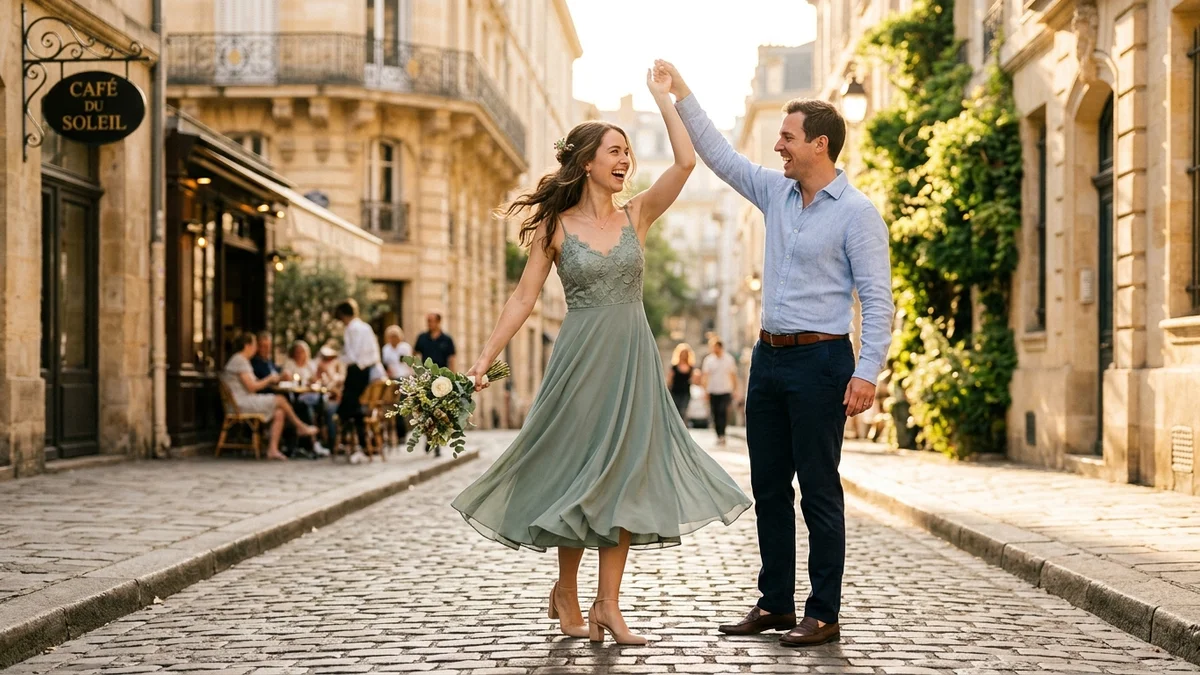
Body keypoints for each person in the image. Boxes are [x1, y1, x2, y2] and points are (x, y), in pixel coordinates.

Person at [452, 66, 751, 647]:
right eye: (615, 152)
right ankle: (566, 590)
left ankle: (607, 605)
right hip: (580, 365)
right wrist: (485, 359)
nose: (625, 162)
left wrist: (667, 98)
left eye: (628, 154)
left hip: (633, 363)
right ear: (587, 162)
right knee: (576, 476)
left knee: (624, 479)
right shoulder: (555, 228)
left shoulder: (637, 214)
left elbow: (686, 163)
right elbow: (522, 297)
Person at [658, 59, 894, 647]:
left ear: (820, 144)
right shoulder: (775, 191)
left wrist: (866, 373)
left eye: (787, 137)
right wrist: (683, 91)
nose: (777, 146)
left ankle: (824, 610)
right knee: (768, 487)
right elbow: (718, 154)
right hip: (768, 361)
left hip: (822, 362)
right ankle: (775, 604)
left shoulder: (858, 215)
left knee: (818, 488)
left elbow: (878, 301)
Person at [220, 332, 319, 461]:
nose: (256, 349)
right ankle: (300, 426)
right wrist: (270, 379)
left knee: (280, 412)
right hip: (241, 403)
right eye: (255, 345)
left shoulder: (243, 360)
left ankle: (272, 449)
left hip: (245, 400)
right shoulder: (239, 360)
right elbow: (252, 387)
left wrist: (275, 378)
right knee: (281, 399)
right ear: (247, 346)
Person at [335, 299, 382, 465]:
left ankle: (355, 445)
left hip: (356, 371)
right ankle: (362, 444)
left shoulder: (351, 329)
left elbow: (352, 354)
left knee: (346, 411)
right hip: (366, 371)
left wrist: (340, 358)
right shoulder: (365, 327)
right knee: (355, 410)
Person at [414, 313, 456, 456]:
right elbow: (415, 355)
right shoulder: (422, 338)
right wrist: (417, 372)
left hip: (442, 381)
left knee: (439, 412)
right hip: (426, 379)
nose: (429, 323)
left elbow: (451, 360)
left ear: (438, 322)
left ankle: (436, 442)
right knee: (426, 412)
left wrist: (452, 379)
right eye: (427, 321)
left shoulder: (447, 340)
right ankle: (428, 438)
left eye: (431, 321)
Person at [282, 340, 330, 458]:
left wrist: (315, 379)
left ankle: (315, 441)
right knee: (307, 408)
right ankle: (313, 442)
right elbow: (286, 376)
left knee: (318, 406)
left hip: (310, 396)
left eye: (302, 352)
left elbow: (315, 379)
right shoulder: (290, 364)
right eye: (297, 352)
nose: (300, 354)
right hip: (294, 398)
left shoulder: (310, 364)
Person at [701, 339, 738, 446]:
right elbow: (705, 376)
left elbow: (733, 375)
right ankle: (718, 434)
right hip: (713, 390)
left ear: (721, 347)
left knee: (723, 411)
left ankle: (723, 434)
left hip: (725, 390)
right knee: (715, 412)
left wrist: (735, 389)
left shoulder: (729, 359)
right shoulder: (708, 360)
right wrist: (705, 390)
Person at [666, 343, 696, 419]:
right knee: (675, 411)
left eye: (685, 353)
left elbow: (693, 379)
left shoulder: (691, 367)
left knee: (683, 411)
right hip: (675, 392)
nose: (684, 355)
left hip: (685, 392)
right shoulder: (674, 367)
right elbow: (669, 379)